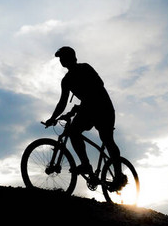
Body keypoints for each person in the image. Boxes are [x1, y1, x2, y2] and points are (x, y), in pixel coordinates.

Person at [45, 46, 127, 191]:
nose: (61, 61)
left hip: (103, 107)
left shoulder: (85, 68)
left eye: (63, 57)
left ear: (72, 57)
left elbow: (98, 87)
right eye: (60, 58)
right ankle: (85, 164)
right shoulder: (66, 80)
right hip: (89, 109)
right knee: (73, 132)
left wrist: (79, 107)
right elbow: (62, 102)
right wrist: (53, 118)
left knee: (106, 139)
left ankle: (118, 176)